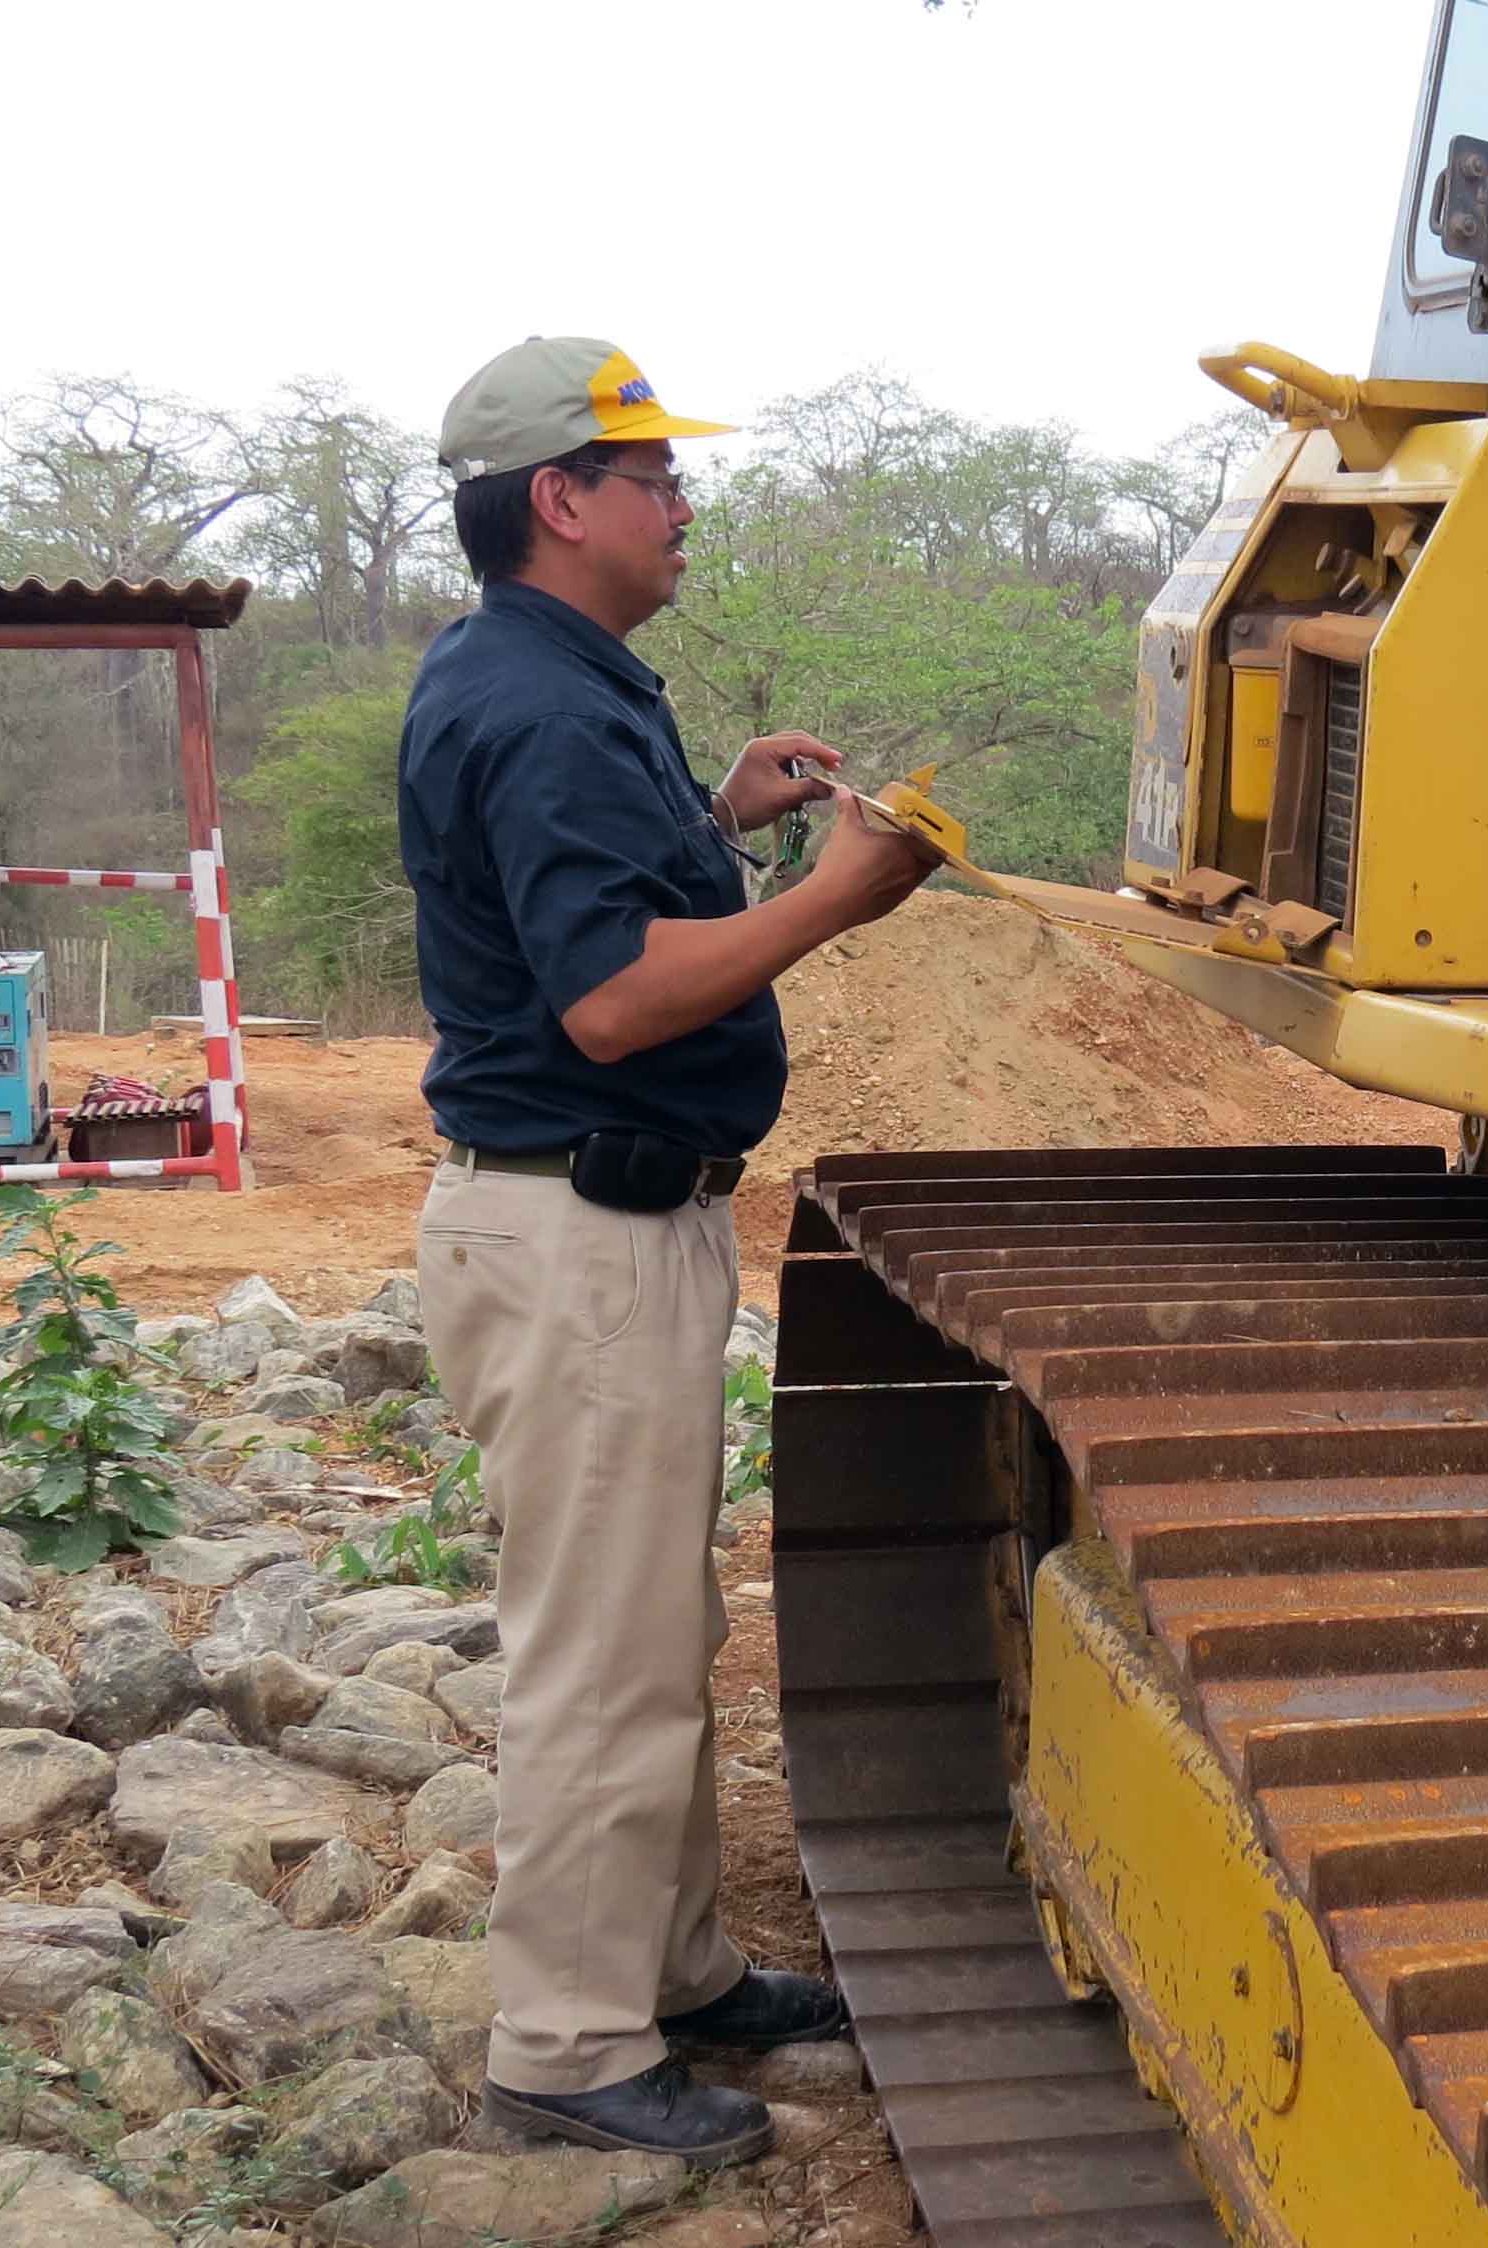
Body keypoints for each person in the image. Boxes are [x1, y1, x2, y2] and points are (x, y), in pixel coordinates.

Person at [398, 335, 939, 2165]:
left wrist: (720, 821)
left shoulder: (557, 681)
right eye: (655, 476)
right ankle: (563, 2047)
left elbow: (591, 893)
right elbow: (618, 998)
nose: (684, 502)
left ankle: (678, 1969)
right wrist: (824, 902)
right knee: (602, 1658)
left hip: (603, 1222)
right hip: (579, 1225)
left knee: (655, 1629)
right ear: (563, 497)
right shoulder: (541, 705)